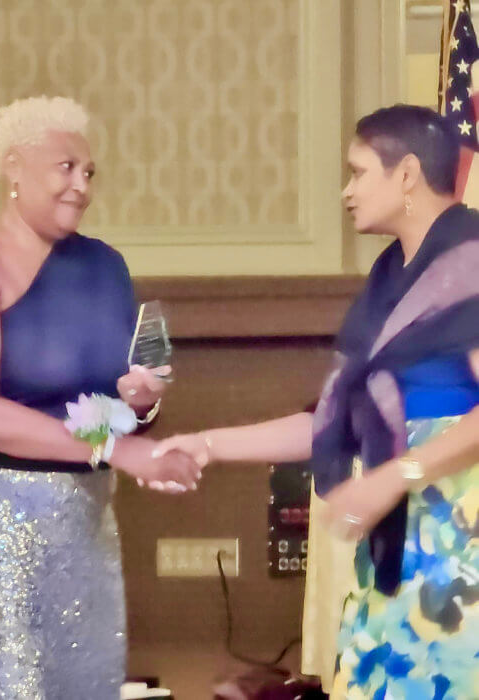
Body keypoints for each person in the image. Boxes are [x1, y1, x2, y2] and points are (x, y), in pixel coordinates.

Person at [154, 105, 479, 699]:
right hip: (396, 549)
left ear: (406, 174)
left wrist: (393, 477)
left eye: (357, 173)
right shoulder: (390, 275)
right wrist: (204, 444)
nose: (345, 191)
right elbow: (334, 421)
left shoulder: (471, 258)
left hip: (458, 553)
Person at [0, 95, 200, 699]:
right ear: (13, 168)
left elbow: (119, 410)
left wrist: (140, 404)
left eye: (89, 173)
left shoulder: (106, 265)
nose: (81, 186)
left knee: (85, 683)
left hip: (87, 523)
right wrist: (115, 451)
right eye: (65, 167)